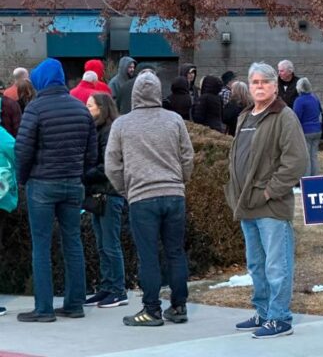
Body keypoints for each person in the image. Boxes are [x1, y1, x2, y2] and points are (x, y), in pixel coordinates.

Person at [106, 70, 194, 327]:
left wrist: (126, 189)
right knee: (175, 252)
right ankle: (179, 306)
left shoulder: (122, 124)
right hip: (173, 194)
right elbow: (188, 156)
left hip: (142, 197)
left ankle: (151, 310)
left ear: (134, 94)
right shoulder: (174, 120)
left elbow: (112, 164)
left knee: (148, 256)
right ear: (158, 92)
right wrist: (180, 181)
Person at [226, 62, 307, 338]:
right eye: (254, 82)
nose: (259, 87)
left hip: (270, 206)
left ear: (275, 86)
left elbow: (296, 161)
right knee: (256, 265)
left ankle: (280, 318)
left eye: (264, 82)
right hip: (246, 204)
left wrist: (270, 191)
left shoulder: (284, 116)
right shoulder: (245, 116)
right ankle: (263, 313)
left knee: (276, 264)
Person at [15, 58, 98, 322]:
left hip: (42, 183)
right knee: (73, 242)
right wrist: (78, 174)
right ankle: (75, 304)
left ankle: (44, 308)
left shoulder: (35, 109)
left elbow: (23, 149)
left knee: (41, 246)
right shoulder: (80, 109)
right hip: (73, 184)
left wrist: (23, 178)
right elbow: (92, 152)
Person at [82, 93, 128, 309]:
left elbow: (109, 165)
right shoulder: (98, 130)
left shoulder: (109, 132)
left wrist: (85, 174)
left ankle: (118, 290)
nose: (86, 108)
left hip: (109, 193)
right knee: (102, 244)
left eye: (90, 105)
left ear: (102, 108)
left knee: (110, 244)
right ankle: (107, 286)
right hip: (99, 193)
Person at [292, 77, 322, 176]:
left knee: (306, 157)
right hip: (317, 129)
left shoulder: (299, 101)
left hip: (305, 131)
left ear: (299, 88)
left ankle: (306, 179)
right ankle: (315, 177)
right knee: (314, 155)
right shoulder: (315, 98)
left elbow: (296, 117)